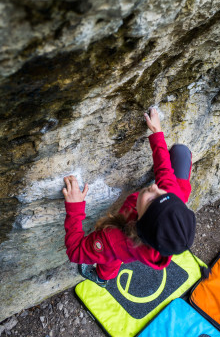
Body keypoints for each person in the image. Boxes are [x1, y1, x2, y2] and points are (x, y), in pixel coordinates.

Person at [63, 108, 196, 288]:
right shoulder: (170, 198)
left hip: (121, 245)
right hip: (158, 219)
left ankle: (103, 277)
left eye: (150, 200)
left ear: (139, 222)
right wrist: (157, 133)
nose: (154, 187)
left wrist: (75, 207)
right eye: (162, 194)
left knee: (111, 256)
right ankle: (180, 188)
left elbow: (75, 252)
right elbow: (164, 174)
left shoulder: (114, 239)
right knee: (181, 153)